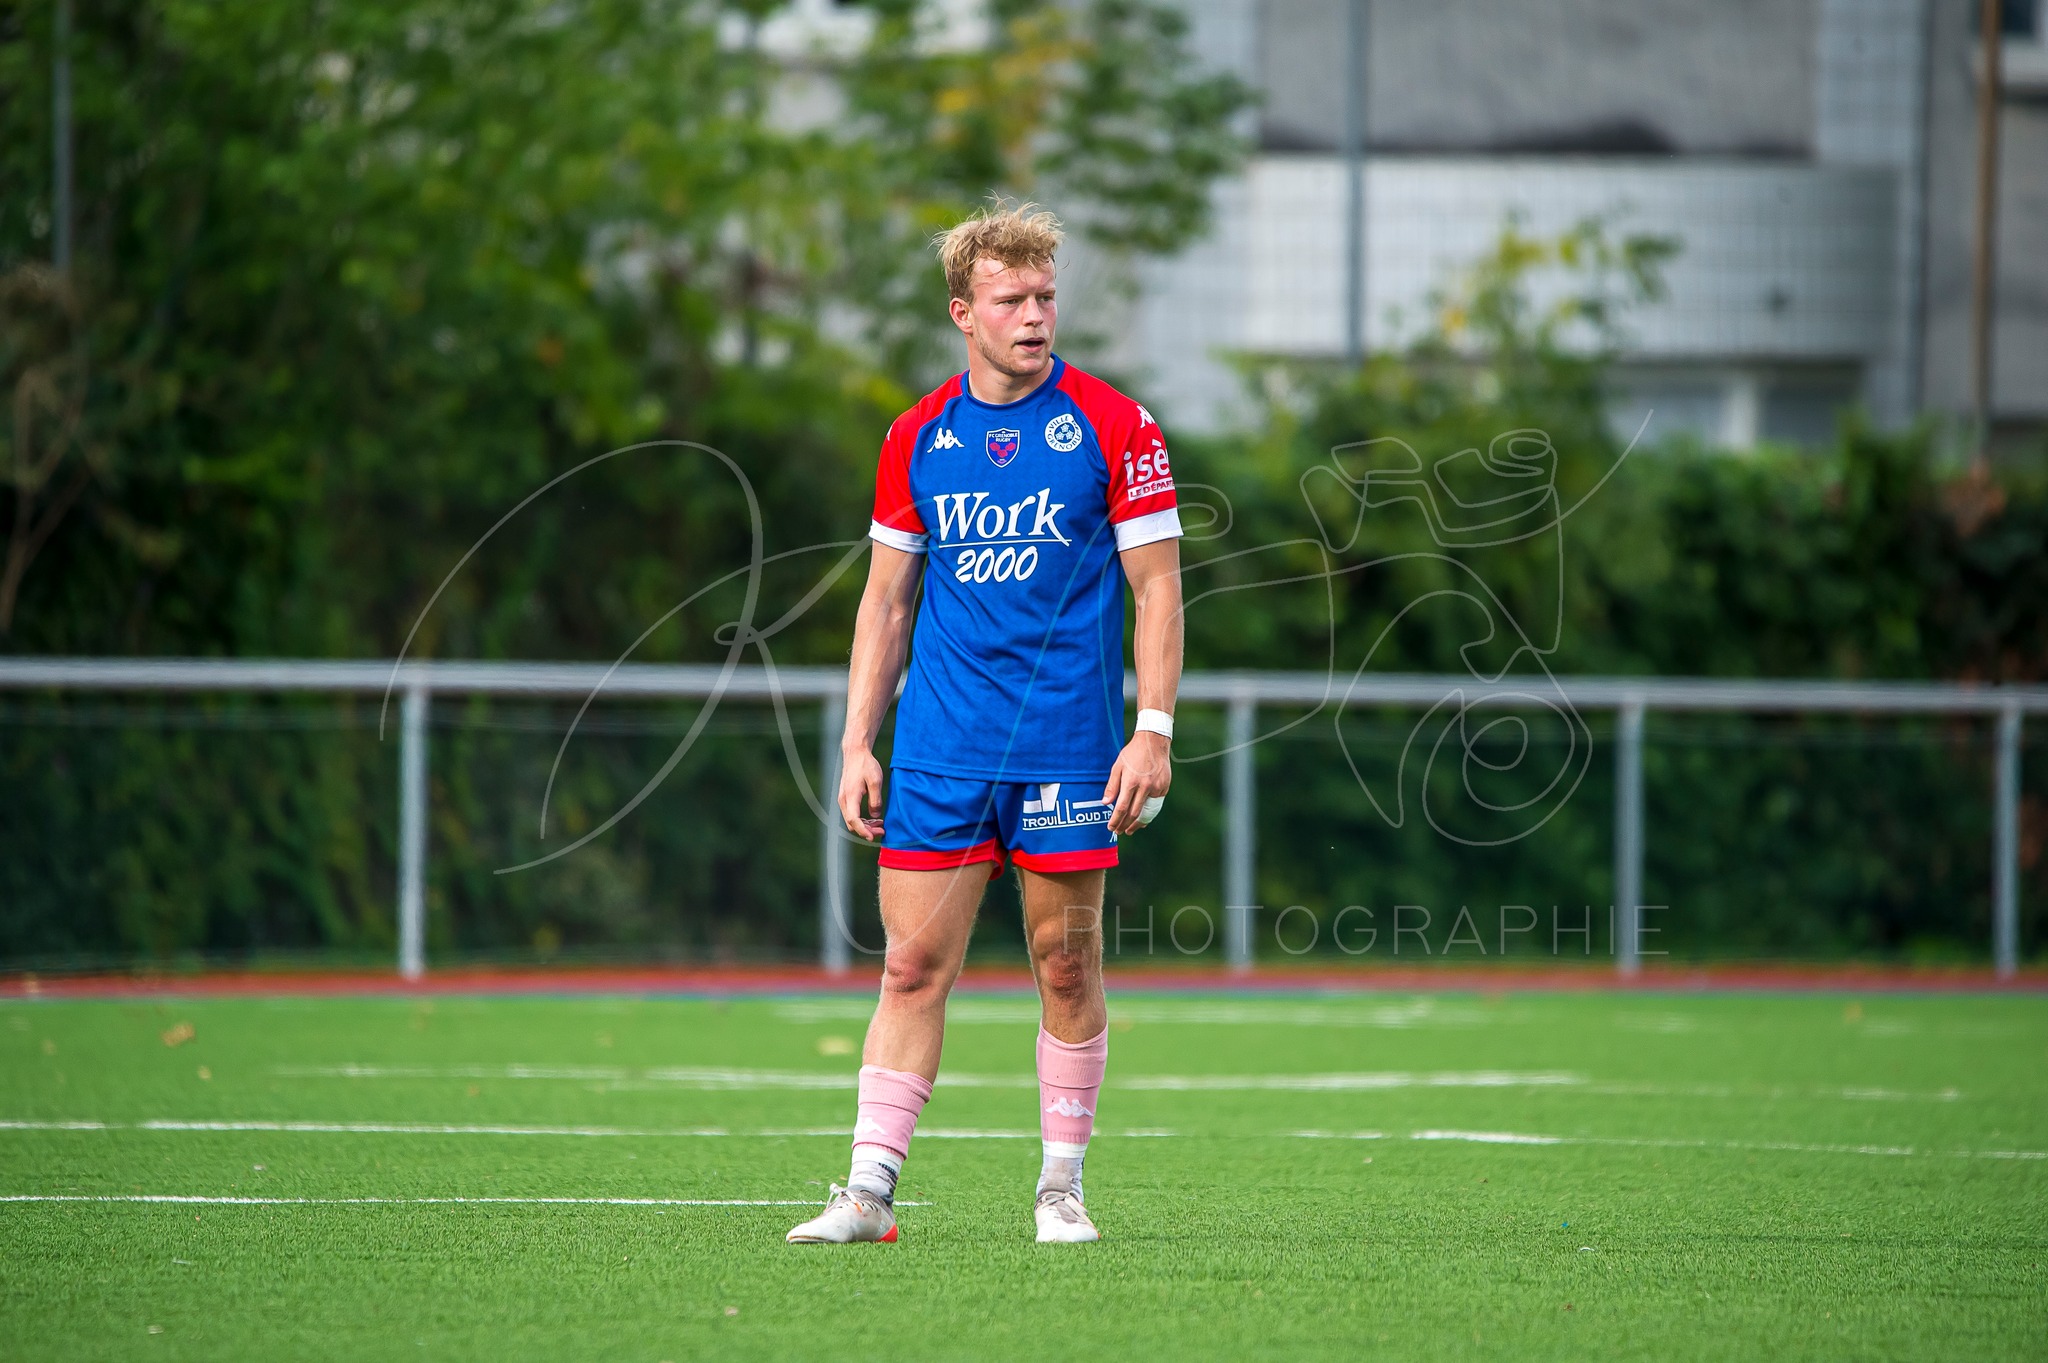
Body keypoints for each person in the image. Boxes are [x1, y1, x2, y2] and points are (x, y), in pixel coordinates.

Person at [786, 202, 1184, 1246]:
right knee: (910, 965)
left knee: (1064, 962)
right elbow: (883, 602)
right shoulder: (915, 434)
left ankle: (1059, 1187)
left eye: (1046, 295)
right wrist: (854, 742)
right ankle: (868, 1192)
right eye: (1011, 298)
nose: (1034, 314)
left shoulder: (1115, 424)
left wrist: (1152, 728)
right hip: (941, 745)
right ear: (964, 312)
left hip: (1065, 739)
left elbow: (1157, 589)